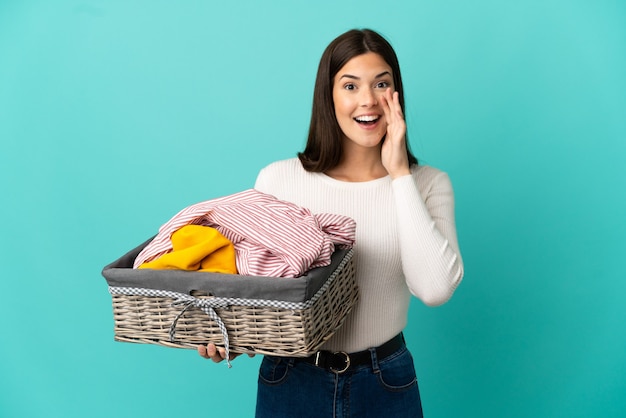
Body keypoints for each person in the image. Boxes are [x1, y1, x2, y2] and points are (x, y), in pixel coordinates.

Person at [198, 28, 464, 417]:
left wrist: (399, 174)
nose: (368, 100)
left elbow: (435, 288)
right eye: (350, 85)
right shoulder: (278, 180)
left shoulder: (428, 184)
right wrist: (230, 337)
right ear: (329, 95)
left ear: (397, 94)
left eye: (381, 83)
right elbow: (257, 286)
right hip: (292, 378)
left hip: (384, 380)